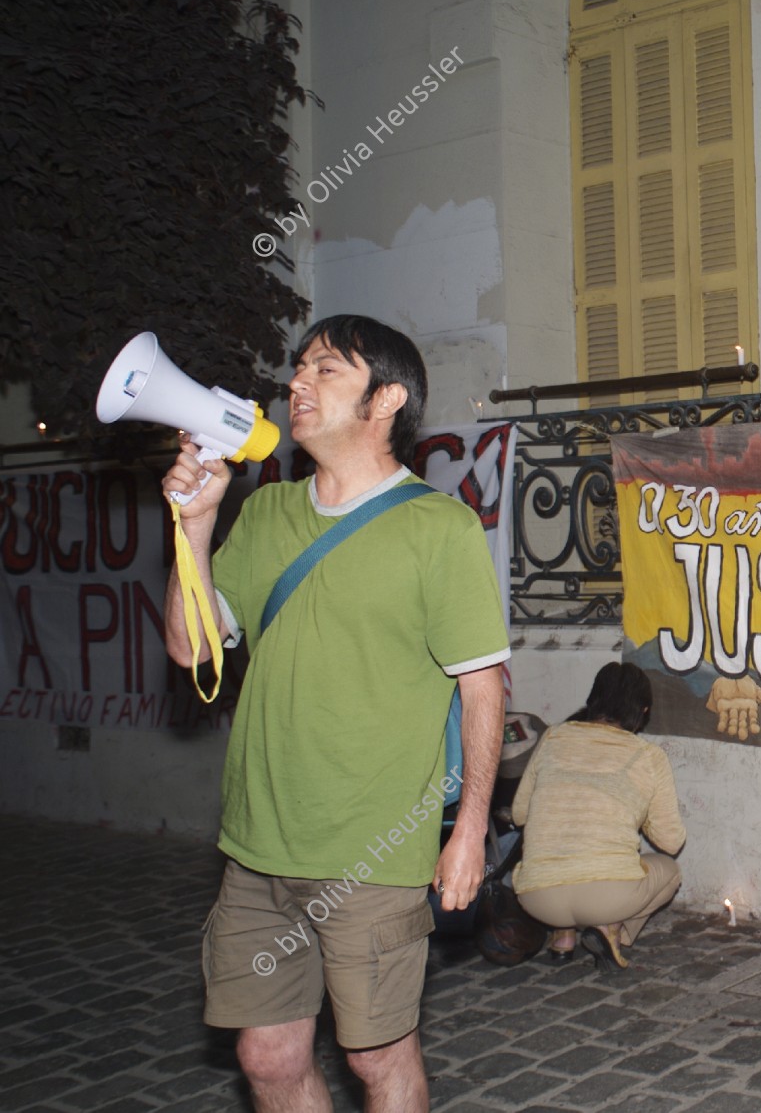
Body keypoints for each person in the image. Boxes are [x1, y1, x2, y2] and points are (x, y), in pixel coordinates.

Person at [162, 315, 509, 1113]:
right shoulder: (268, 513)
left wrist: (469, 831)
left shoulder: (438, 528)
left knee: (377, 1059)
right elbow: (191, 649)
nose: (297, 384)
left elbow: (482, 688)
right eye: (299, 368)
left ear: (385, 399)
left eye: (326, 370)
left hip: (374, 854)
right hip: (256, 848)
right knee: (268, 1058)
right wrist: (195, 523)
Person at [512, 662, 685, 967]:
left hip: (537, 898)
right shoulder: (649, 757)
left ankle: (562, 938)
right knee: (670, 871)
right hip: (608, 897)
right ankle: (611, 928)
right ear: (643, 711)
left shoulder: (553, 737)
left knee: (564, 845)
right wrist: (637, 811)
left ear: (592, 702)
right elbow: (671, 843)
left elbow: (520, 813)